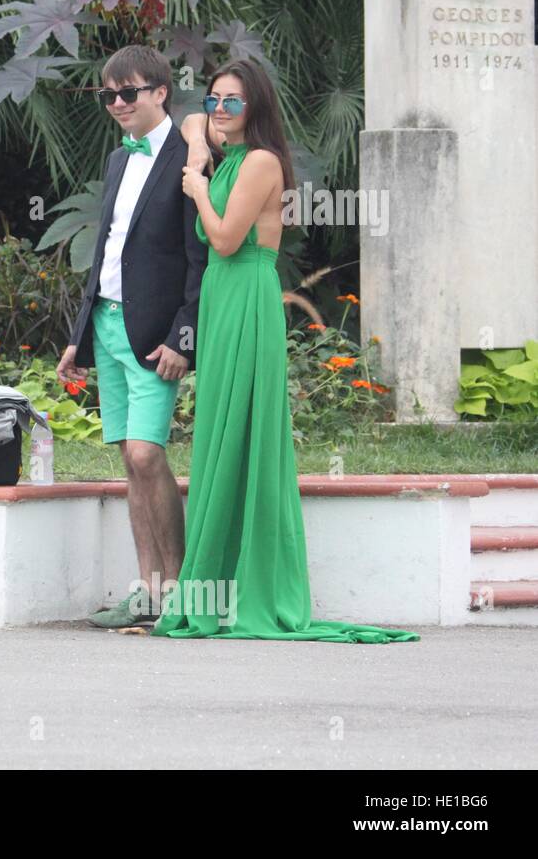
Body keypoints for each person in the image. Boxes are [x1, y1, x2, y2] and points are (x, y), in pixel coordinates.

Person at [152, 59, 417, 642]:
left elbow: (224, 239)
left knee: (243, 432)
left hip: (244, 291)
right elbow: (191, 118)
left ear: (258, 109)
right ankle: (215, 584)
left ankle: (251, 589)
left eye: (233, 102)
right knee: (219, 432)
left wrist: (197, 187)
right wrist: (199, 146)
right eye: (216, 98)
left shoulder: (262, 162)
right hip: (224, 301)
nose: (219, 109)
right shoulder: (233, 153)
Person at [58, 45, 207, 629]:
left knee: (149, 453)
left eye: (129, 93)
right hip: (107, 322)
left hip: (155, 336)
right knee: (130, 458)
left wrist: (183, 337)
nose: (117, 104)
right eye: (109, 95)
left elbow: (198, 260)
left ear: (161, 93)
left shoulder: (189, 158)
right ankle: (146, 589)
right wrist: (80, 334)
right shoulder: (120, 160)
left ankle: (180, 592)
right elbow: (106, 253)